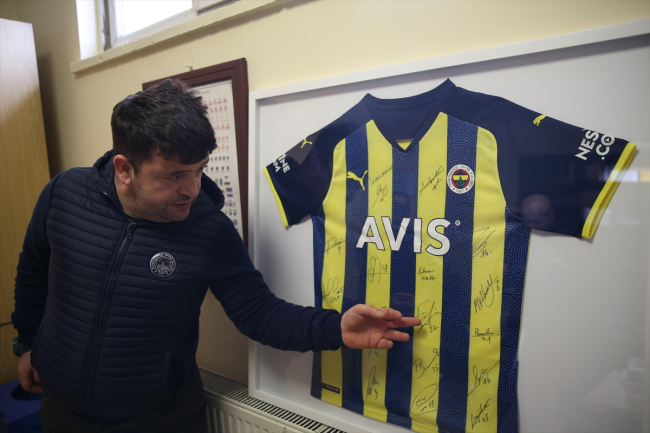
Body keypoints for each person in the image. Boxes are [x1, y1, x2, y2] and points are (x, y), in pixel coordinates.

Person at [11, 79, 421, 433]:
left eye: (199, 169)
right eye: (175, 175)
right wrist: (27, 344)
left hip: (160, 419)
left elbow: (259, 313)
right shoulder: (65, 193)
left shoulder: (208, 229)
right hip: (61, 411)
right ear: (124, 169)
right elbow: (33, 269)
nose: (192, 188)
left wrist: (336, 328)